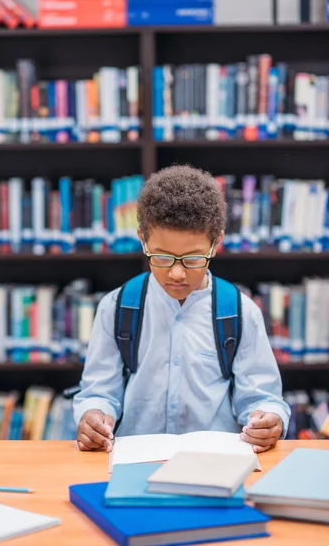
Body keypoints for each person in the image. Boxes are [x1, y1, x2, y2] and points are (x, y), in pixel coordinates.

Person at [73, 164, 290, 454]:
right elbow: (99, 392)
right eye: (161, 257)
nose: (176, 273)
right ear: (142, 239)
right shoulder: (116, 307)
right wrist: (93, 415)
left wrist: (270, 418)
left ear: (216, 244)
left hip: (216, 464)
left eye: (192, 258)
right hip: (135, 463)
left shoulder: (241, 311)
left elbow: (262, 398)